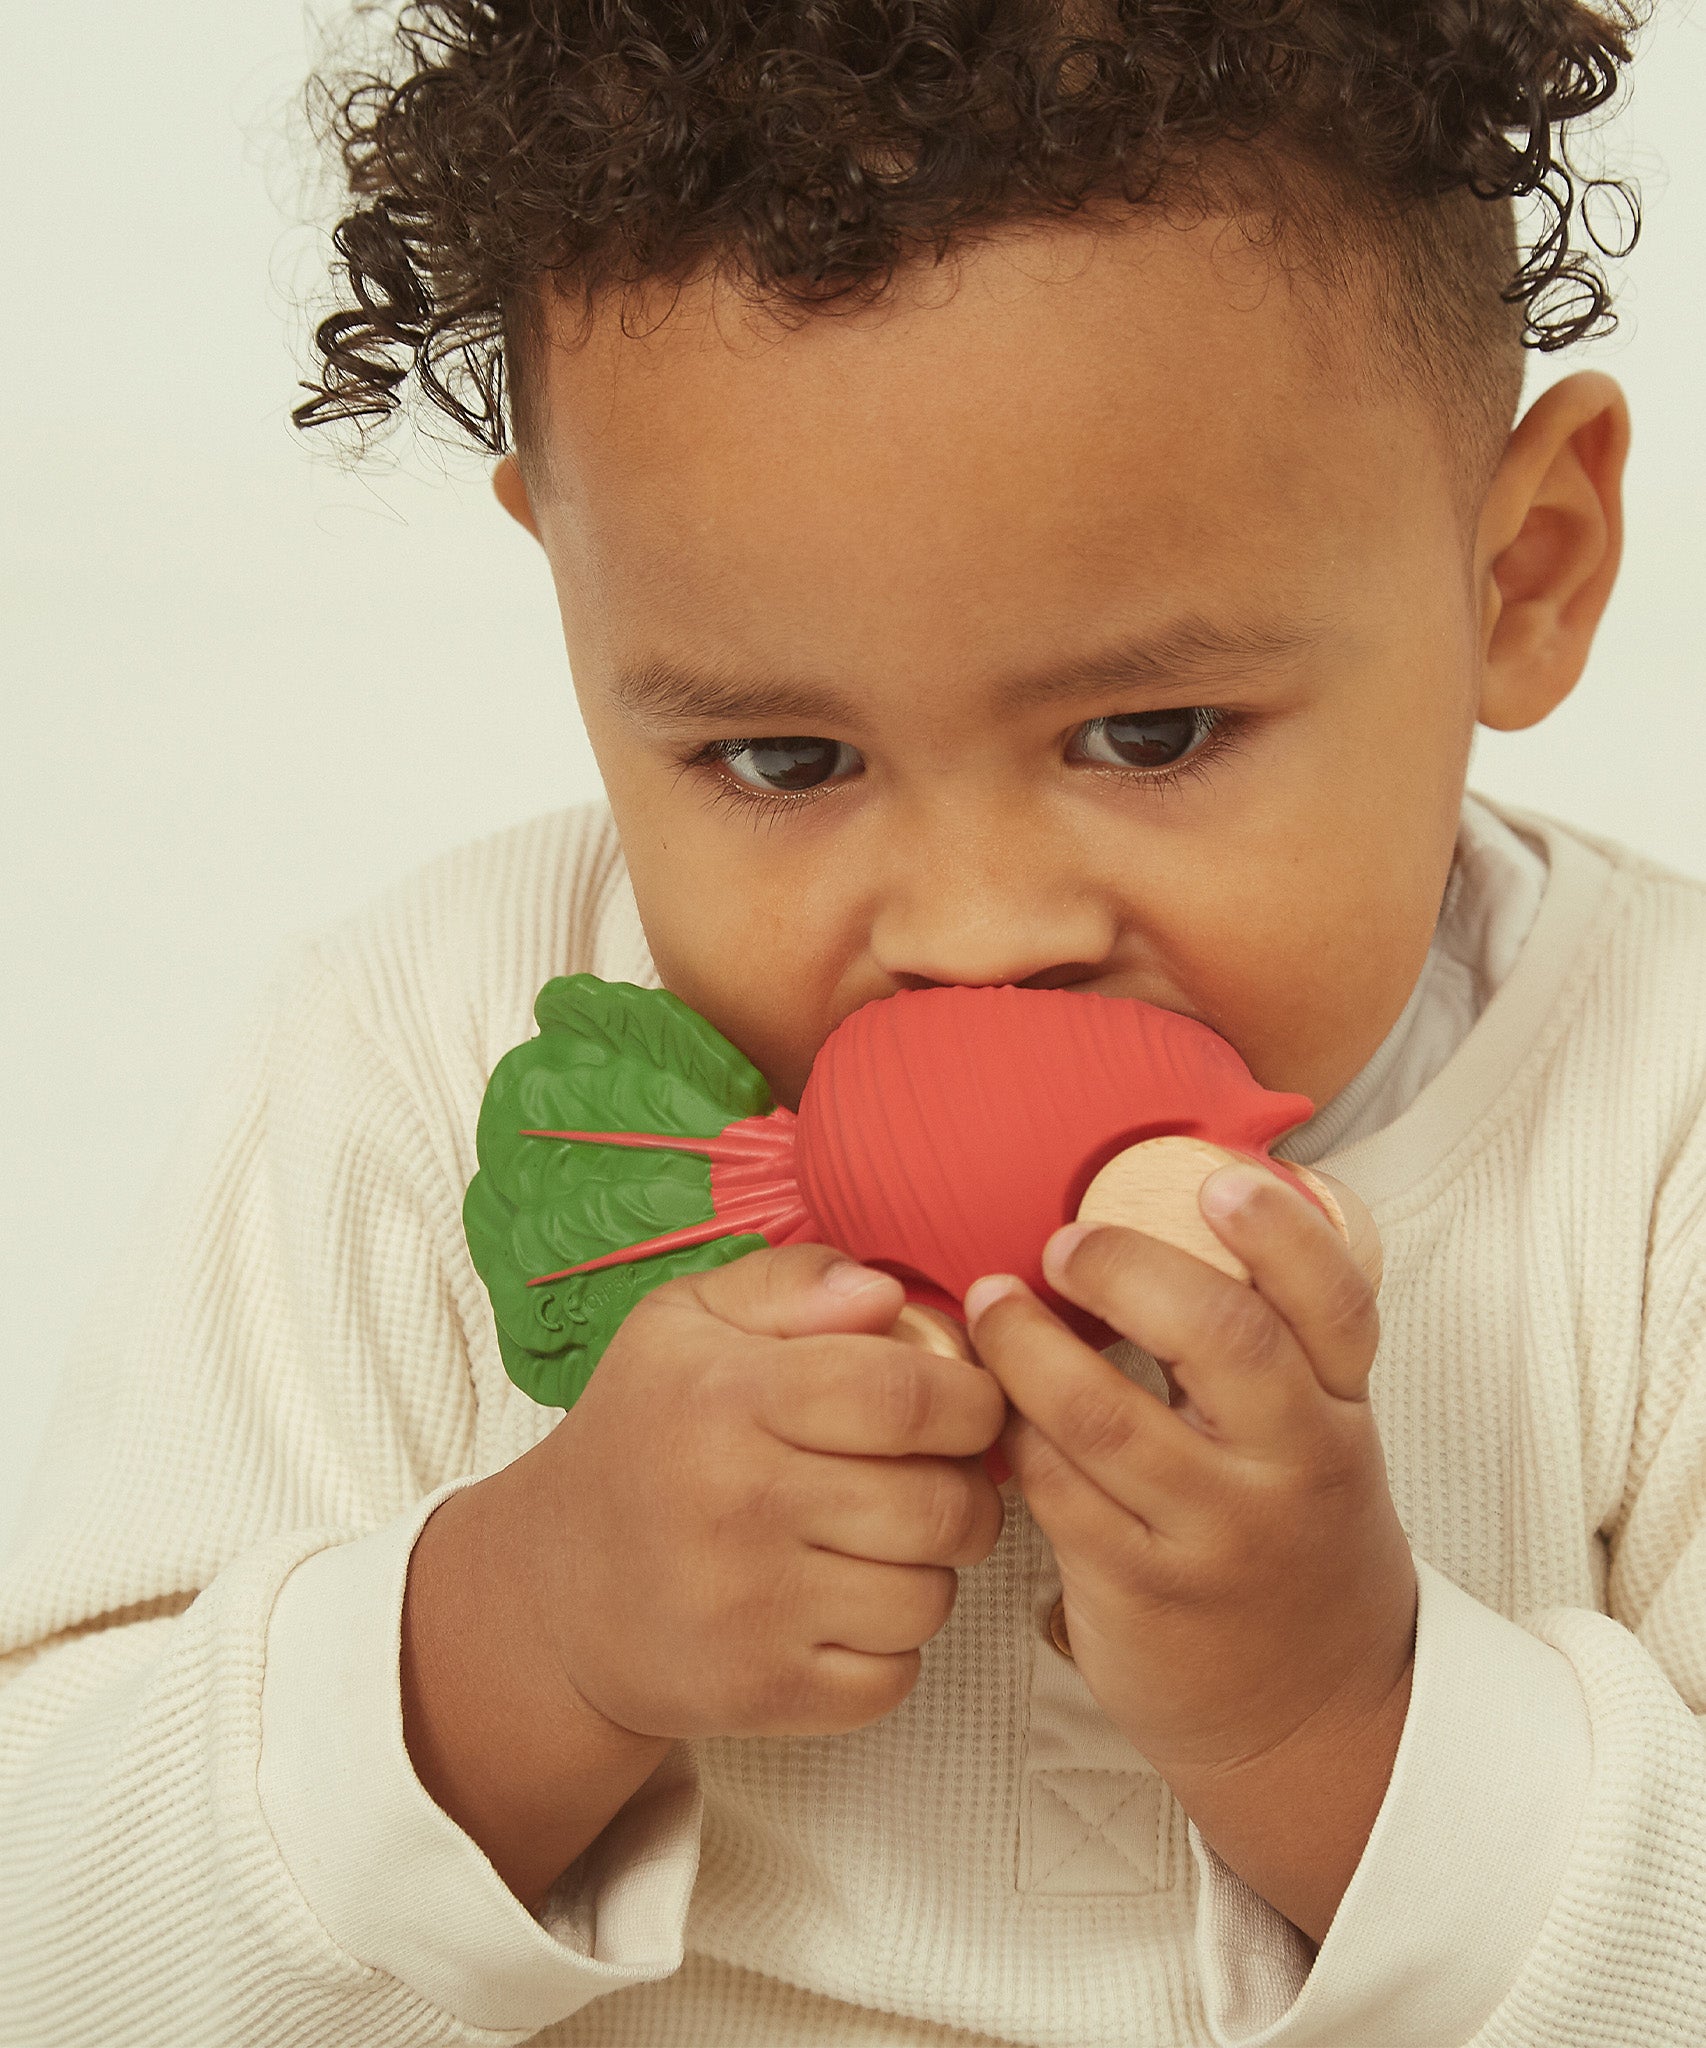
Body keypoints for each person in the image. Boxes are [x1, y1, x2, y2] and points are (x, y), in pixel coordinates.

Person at [3, 3, 1701, 2042]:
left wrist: (1345, 1720)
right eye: (784, 757)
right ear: (582, 596)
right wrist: (516, 1641)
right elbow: (52, 1937)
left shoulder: (1660, 1109)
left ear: (1521, 569)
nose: (976, 929)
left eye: (1147, 732)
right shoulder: (412, 1052)